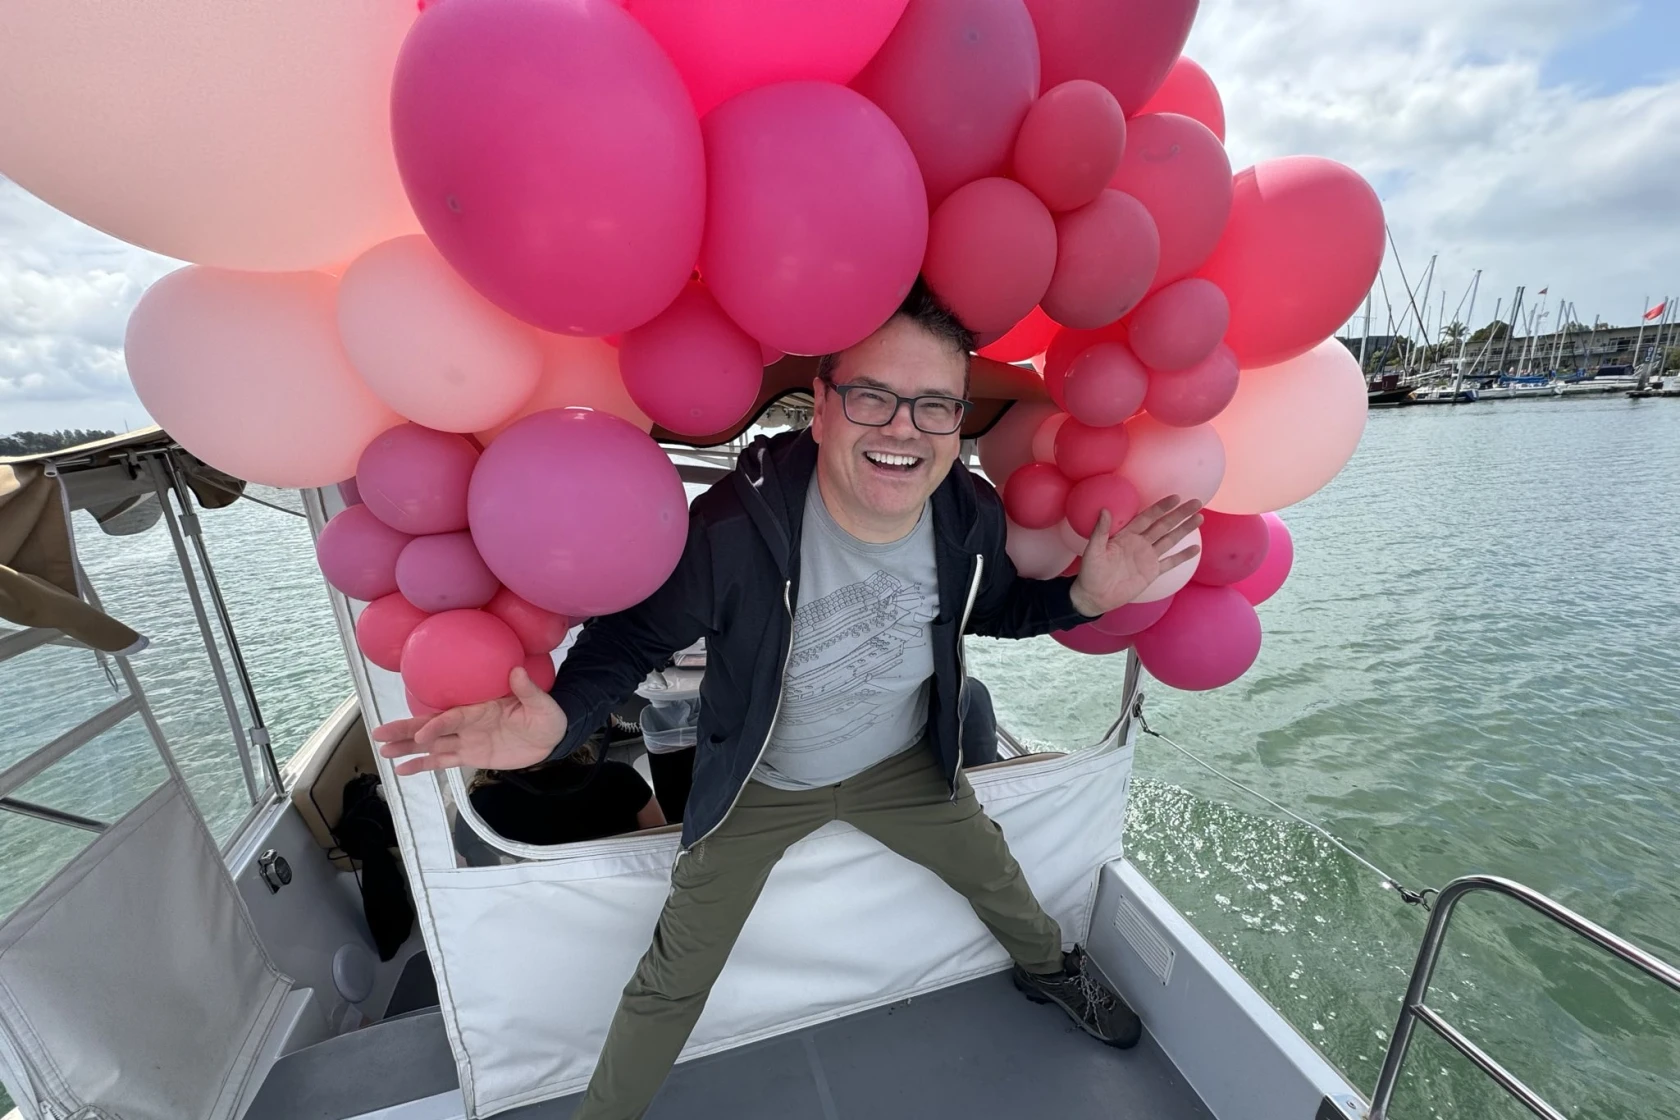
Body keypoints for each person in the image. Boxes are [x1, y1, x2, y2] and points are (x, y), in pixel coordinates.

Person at [374, 281, 1202, 1120]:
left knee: (996, 875)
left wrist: (1085, 601)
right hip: (759, 781)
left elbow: (992, 613)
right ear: (822, 404)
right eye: (873, 396)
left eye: (934, 407)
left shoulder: (967, 517)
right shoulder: (735, 529)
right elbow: (630, 641)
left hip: (901, 766)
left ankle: (1051, 974)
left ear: (956, 421)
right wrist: (556, 724)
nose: (902, 429)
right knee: (674, 975)